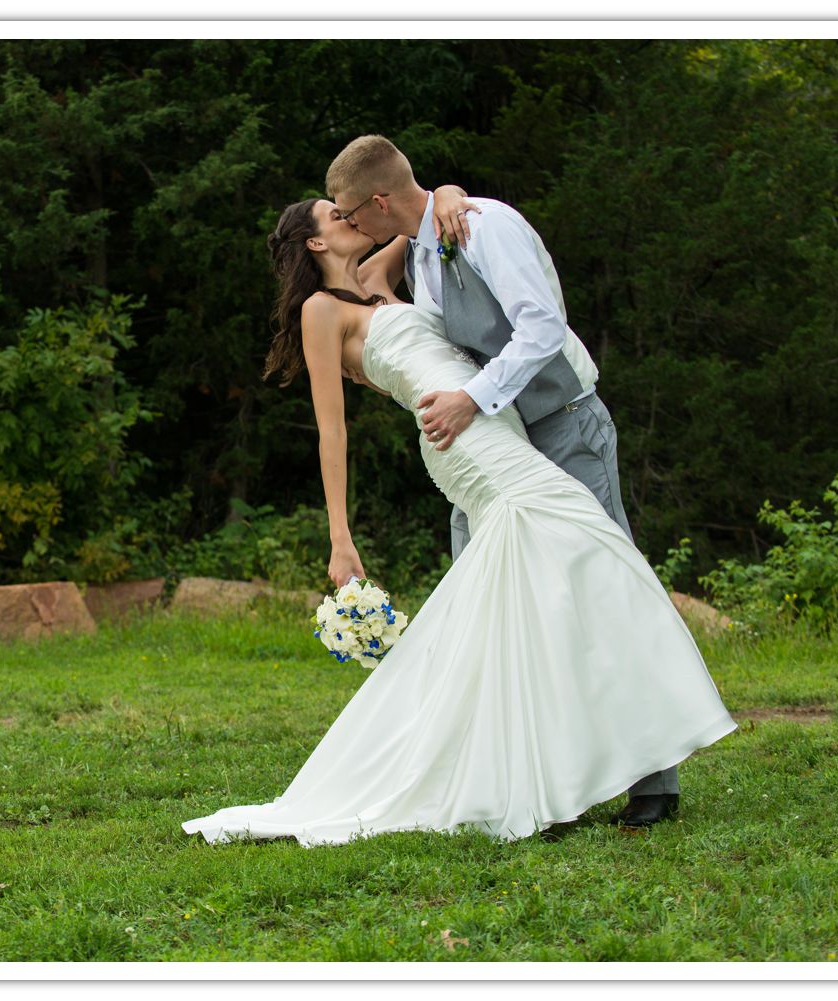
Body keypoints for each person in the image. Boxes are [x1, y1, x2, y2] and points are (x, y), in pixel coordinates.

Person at [178, 196, 736, 846]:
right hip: (463, 440)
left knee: (521, 596)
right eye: (335, 215)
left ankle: (540, 771)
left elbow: (411, 210)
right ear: (314, 243)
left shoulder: (378, 277)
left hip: (494, 418)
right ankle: (564, 772)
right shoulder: (320, 311)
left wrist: (445, 192)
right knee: (580, 547)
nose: (350, 218)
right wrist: (340, 538)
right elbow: (332, 432)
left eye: (350, 208)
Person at [326, 134, 676, 829]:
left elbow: (542, 327)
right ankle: (543, 782)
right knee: (504, 606)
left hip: (563, 424)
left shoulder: (487, 228)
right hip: (497, 444)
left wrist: (471, 398)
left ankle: (654, 780)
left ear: (378, 203)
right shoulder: (420, 249)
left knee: (600, 588)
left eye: (348, 211)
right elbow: (389, 293)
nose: (346, 224)